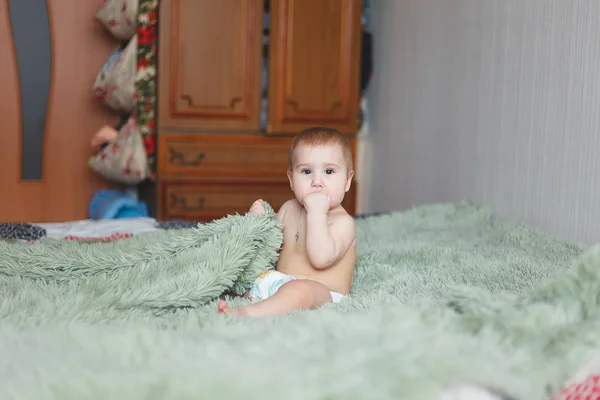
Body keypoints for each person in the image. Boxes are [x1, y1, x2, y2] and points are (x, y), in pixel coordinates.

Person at [217, 126, 356, 317]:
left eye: (329, 171)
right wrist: (256, 225)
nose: (317, 182)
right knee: (237, 274)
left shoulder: (343, 222)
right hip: (277, 282)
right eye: (306, 171)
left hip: (321, 293)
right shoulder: (288, 209)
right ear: (291, 180)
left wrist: (316, 212)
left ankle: (249, 313)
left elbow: (321, 258)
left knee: (299, 290)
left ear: (347, 181)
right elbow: (269, 250)